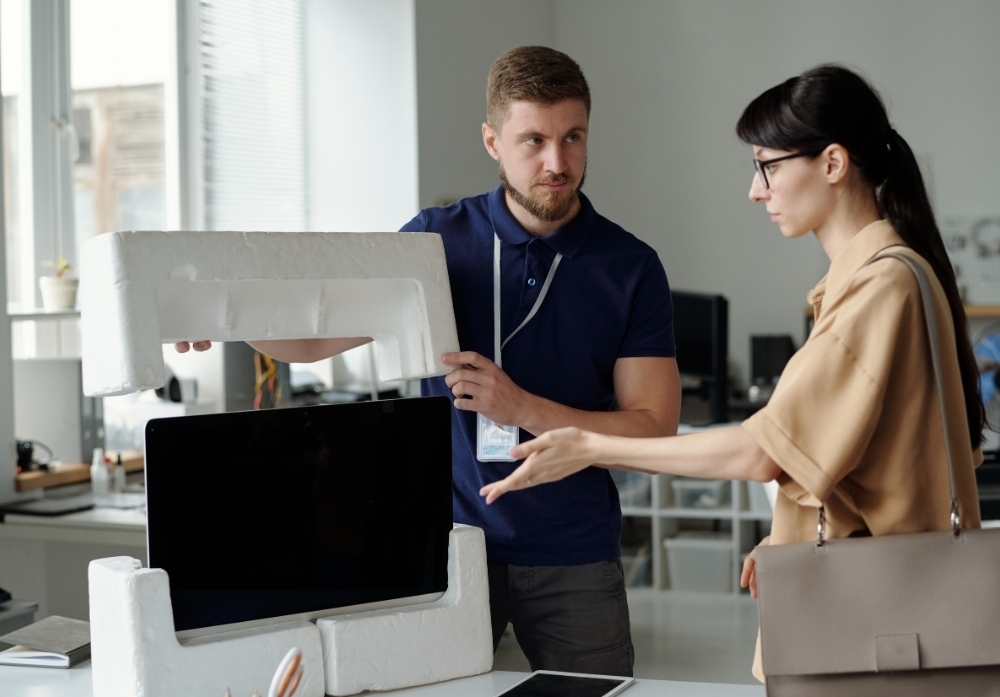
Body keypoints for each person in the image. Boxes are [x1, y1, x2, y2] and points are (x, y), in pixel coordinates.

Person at [179, 46, 681, 677]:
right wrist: (221, 319)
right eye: (534, 141)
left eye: (573, 137)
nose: (558, 163)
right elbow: (312, 341)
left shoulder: (630, 267)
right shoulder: (434, 240)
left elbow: (654, 429)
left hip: (574, 552)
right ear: (492, 142)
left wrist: (521, 407)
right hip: (447, 547)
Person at [478, 64, 985, 683]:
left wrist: (588, 446)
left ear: (831, 163)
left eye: (767, 166)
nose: (756, 190)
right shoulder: (887, 277)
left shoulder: (881, 287)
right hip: (872, 596)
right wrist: (790, 530)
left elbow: (760, 451)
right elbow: (868, 457)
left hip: (875, 615)